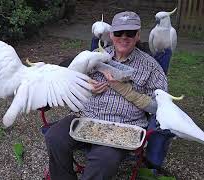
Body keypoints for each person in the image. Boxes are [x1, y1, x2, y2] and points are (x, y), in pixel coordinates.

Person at [44, 11, 168, 180]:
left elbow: (160, 107)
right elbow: (72, 80)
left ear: (138, 35)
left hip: (123, 125)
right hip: (86, 117)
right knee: (54, 137)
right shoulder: (95, 55)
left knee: (103, 159)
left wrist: (125, 90)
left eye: (130, 33)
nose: (124, 37)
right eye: (118, 33)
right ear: (111, 34)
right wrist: (86, 86)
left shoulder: (150, 66)